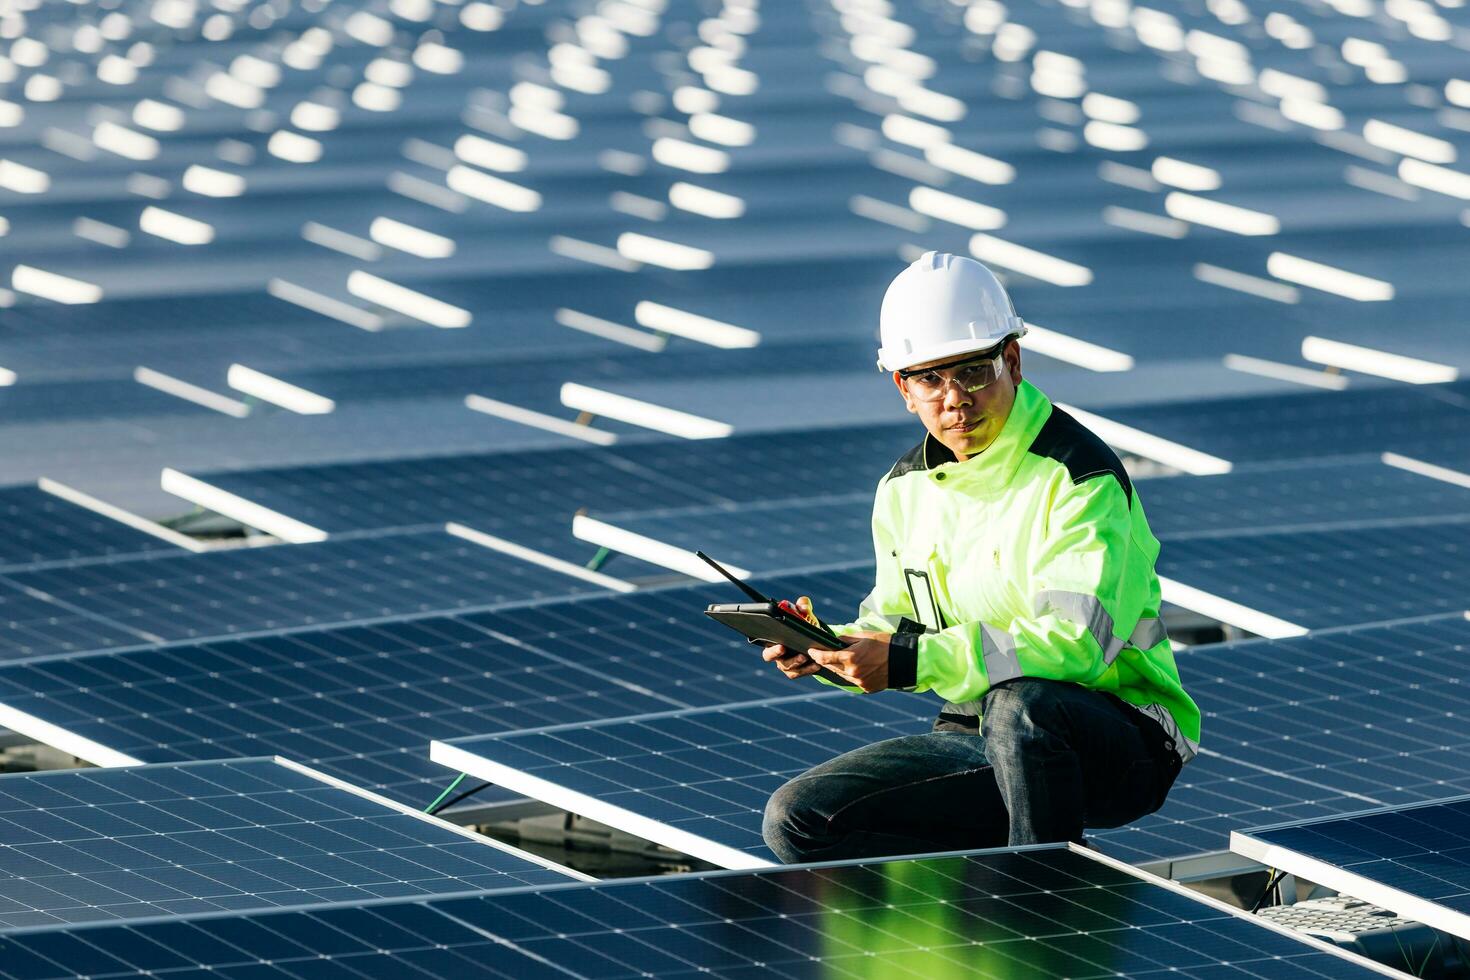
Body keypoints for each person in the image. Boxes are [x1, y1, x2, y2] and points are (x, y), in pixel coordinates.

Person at [760, 251, 1199, 863]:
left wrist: (910, 662)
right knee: (799, 820)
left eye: (971, 372)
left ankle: (1040, 918)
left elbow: (1076, 644)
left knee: (1025, 707)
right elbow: (899, 623)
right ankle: (961, 939)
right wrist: (831, 646)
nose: (954, 398)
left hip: (1121, 735)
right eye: (929, 380)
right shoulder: (903, 490)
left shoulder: (1077, 477)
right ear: (903, 389)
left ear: (1012, 362)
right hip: (979, 730)